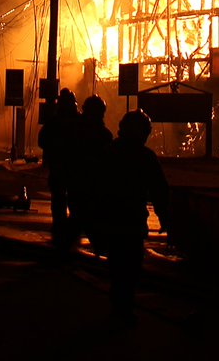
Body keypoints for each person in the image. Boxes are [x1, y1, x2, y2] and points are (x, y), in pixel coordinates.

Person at [89, 109, 170, 326]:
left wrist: (94, 222)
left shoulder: (110, 153)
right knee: (131, 267)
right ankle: (124, 308)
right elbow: (159, 191)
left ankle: (119, 307)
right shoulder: (145, 157)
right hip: (132, 222)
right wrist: (167, 219)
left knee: (117, 267)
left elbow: (95, 189)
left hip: (113, 220)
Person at [36, 87, 80, 251]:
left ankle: (60, 226)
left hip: (60, 166)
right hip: (74, 167)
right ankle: (72, 228)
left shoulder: (54, 122)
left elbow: (42, 140)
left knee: (59, 198)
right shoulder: (79, 122)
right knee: (74, 198)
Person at [70, 94, 114, 248]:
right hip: (93, 187)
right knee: (92, 224)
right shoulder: (104, 135)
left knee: (77, 219)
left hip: (78, 185)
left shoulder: (75, 131)